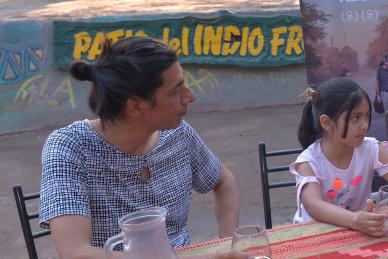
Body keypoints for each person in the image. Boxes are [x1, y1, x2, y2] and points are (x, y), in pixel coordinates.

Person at [39, 36, 239, 259]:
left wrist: (228, 246)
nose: (190, 96)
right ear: (136, 106)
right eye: (176, 90)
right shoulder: (70, 147)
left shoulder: (178, 134)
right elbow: (75, 252)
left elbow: (224, 181)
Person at [290, 77, 388, 237]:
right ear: (326, 122)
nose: (364, 125)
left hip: (360, 232)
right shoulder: (308, 162)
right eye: (355, 117)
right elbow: (313, 205)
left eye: (366, 116)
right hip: (315, 236)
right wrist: (354, 220)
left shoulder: (371, 148)